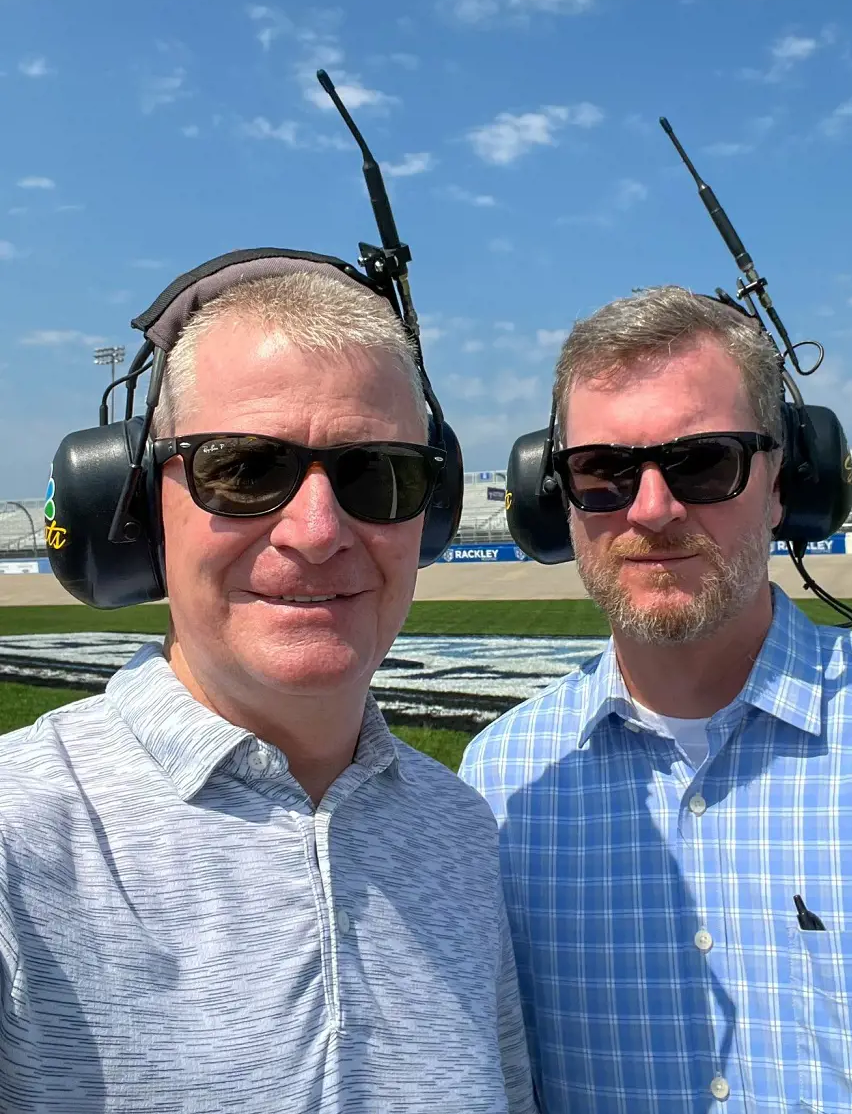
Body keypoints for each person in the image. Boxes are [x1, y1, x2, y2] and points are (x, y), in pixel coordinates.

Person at [0, 265, 535, 1114]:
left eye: (379, 474)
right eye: (243, 468)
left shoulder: (459, 832)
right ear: (138, 506)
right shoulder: (14, 837)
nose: (319, 531)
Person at [461, 285, 852, 1113]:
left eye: (705, 462)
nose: (653, 509)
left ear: (785, 481)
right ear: (554, 496)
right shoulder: (500, 782)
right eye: (602, 470)